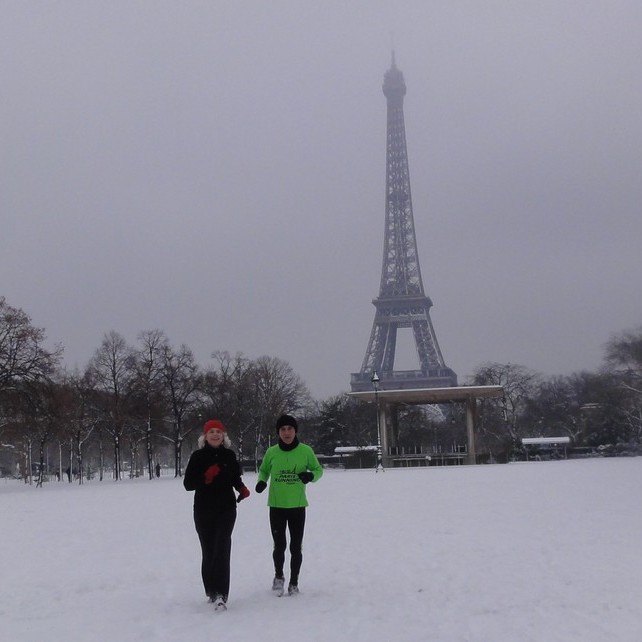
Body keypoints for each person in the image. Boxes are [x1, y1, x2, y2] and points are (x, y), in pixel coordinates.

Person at [184, 419, 250, 611]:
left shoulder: (229, 455)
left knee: (222, 547)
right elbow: (188, 485)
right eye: (211, 431)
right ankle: (211, 590)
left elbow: (234, 477)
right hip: (203, 510)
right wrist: (205, 477)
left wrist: (241, 488)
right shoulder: (197, 457)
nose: (215, 435)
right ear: (205, 436)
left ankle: (222, 594)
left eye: (218, 432)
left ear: (224, 436)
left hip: (226, 509)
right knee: (209, 550)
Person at [255, 414, 323, 596]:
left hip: (297, 506)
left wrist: (310, 476)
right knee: (279, 545)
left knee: (295, 546)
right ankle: (279, 577)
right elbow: (263, 470)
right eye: (283, 429)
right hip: (277, 506)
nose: (286, 433)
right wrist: (262, 481)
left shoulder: (306, 451)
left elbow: (318, 470)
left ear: (295, 431)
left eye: (290, 429)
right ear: (278, 432)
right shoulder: (272, 452)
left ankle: (294, 582)